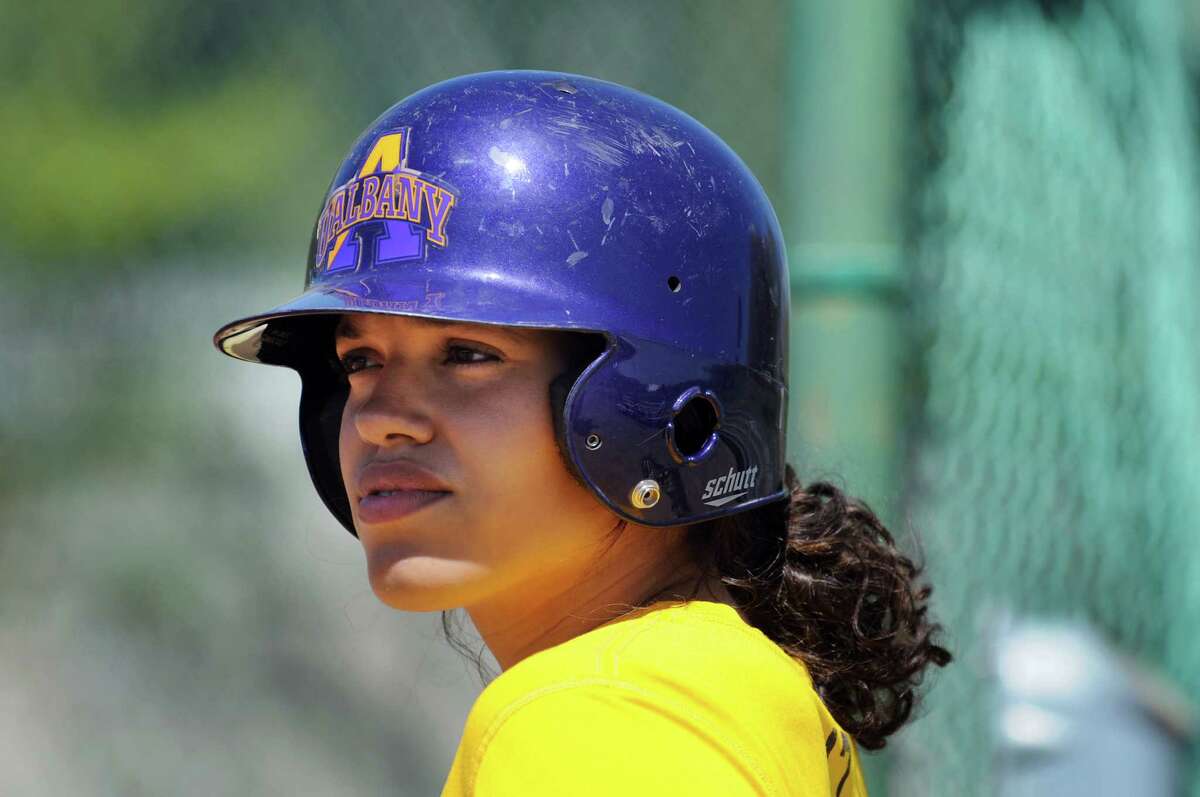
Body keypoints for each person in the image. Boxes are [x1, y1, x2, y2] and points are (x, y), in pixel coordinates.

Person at [213, 70, 951, 796]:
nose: (378, 416)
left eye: (466, 355)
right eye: (361, 361)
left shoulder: (603, 718)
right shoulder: (703, 685)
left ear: (668, 410)